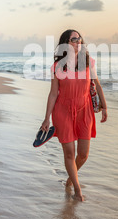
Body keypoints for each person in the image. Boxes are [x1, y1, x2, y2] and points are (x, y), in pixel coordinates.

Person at [41, 29, 107, 201]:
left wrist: (104, 106)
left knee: (83, 154)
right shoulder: (57, 67)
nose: (78, 42)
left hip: (84, 111)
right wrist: (46, 118)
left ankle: (70, 179)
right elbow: (53, 93)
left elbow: (97, 85)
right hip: (62, 111)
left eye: (79, 39)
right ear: (65, 43)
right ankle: (77, 190)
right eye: (73, 39)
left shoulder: (88, 61)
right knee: (69, 153)